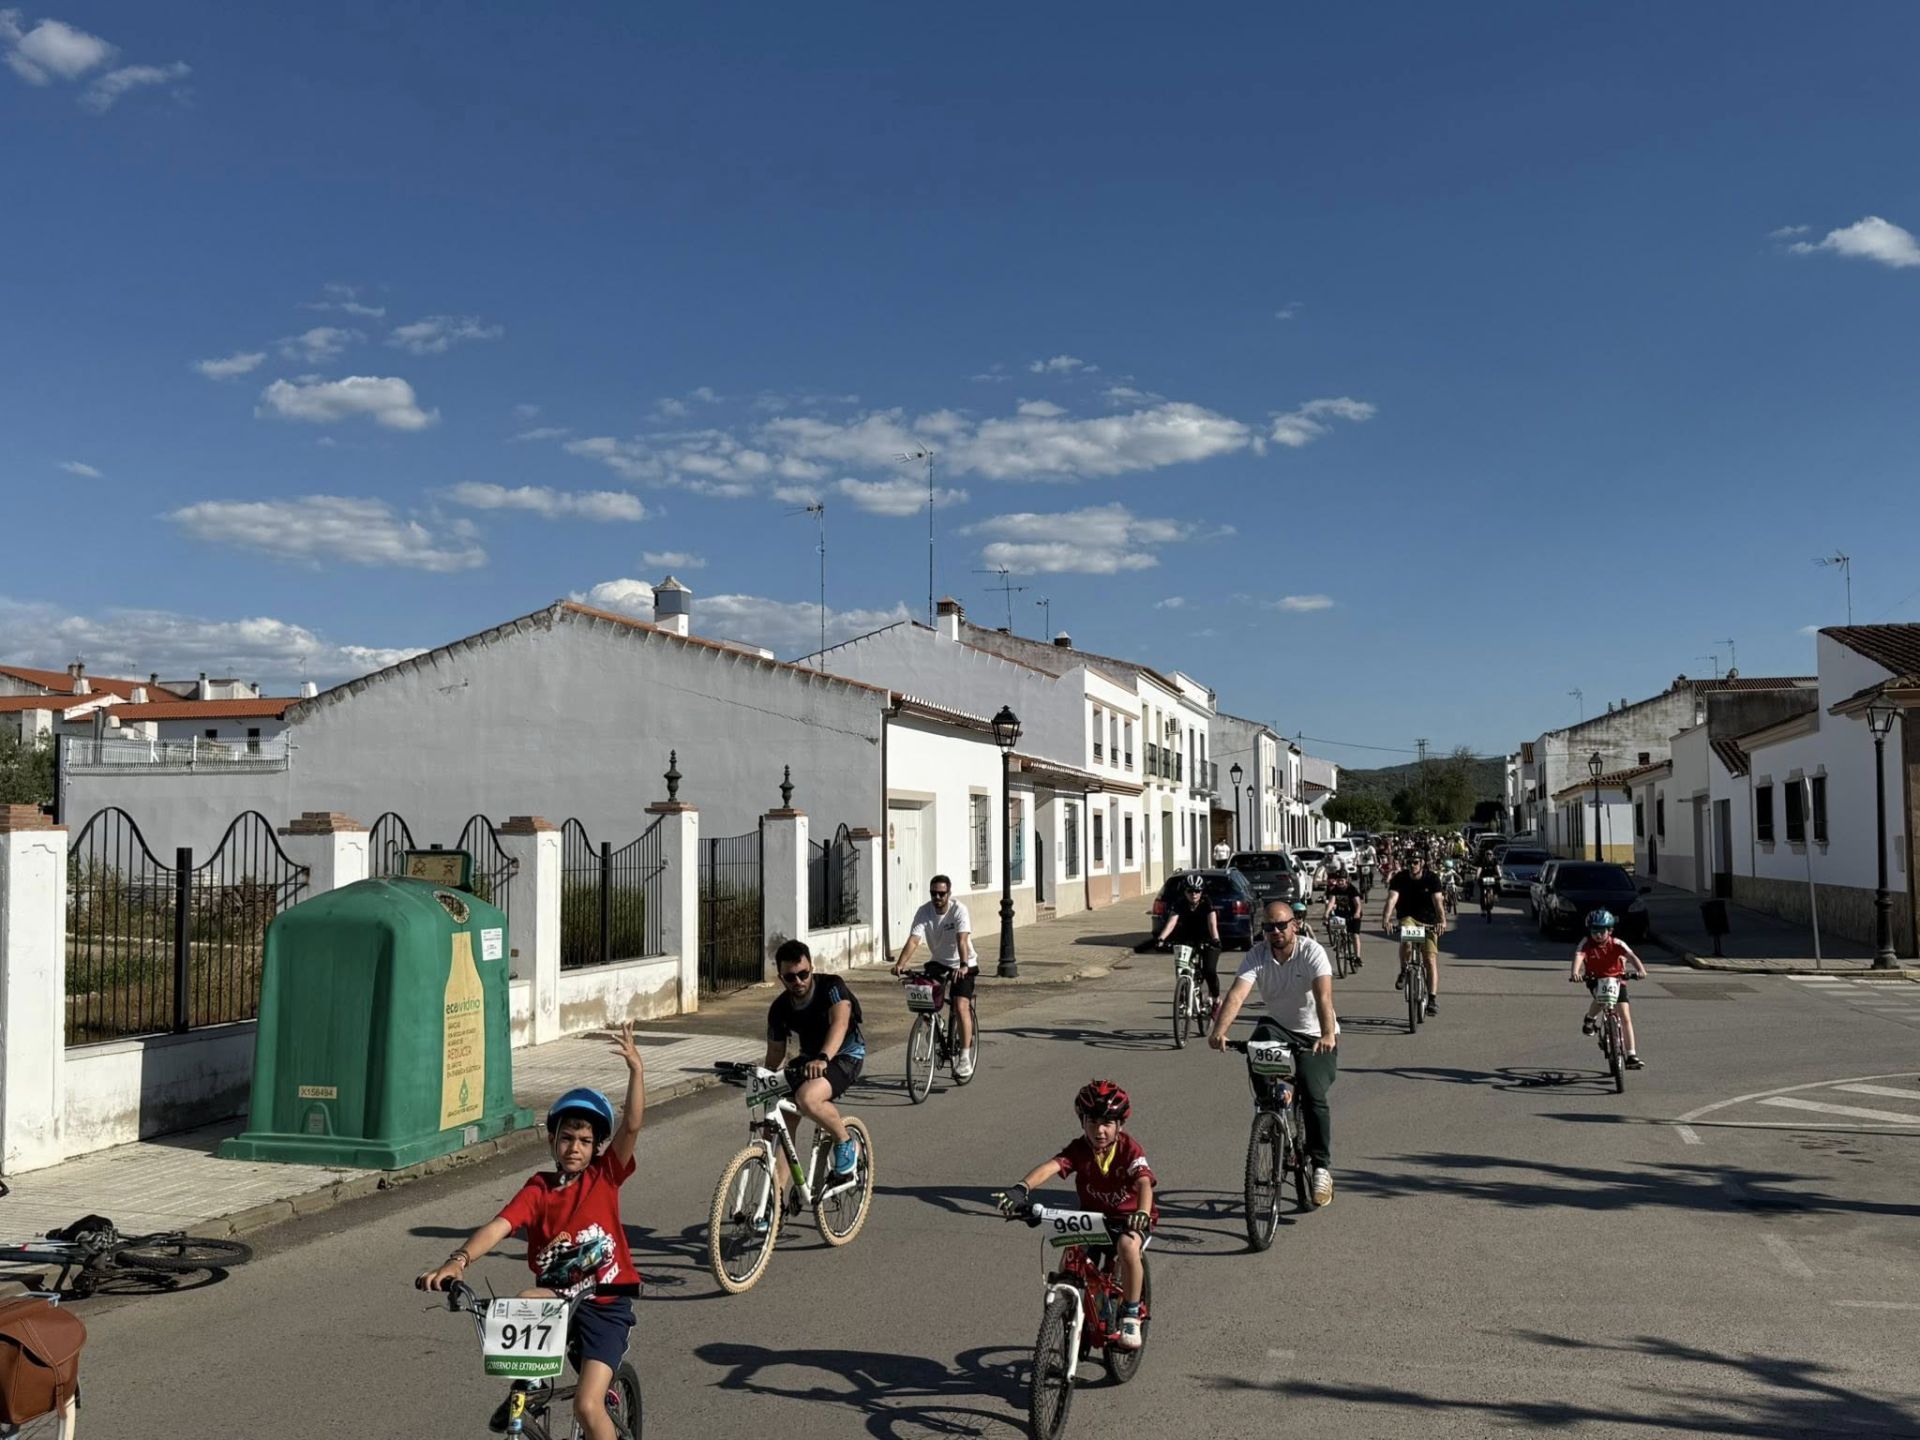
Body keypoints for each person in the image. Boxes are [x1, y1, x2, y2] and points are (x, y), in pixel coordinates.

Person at [416, 1024, 647, 1440]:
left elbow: (630, 1127)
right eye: (566, 1138)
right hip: (557, 1299)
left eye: (584, 1140)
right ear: (552, 1141)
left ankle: (575, 1400)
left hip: (604, 1305)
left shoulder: (605, 1176)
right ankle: (529, 1385)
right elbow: (498, 1227)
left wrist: (636, 1071)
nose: (574, 1147)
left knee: (587, 1404)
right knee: (524, 1299)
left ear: (596, 1148)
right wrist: (458, 1261)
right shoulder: (538, 1189)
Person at [997, 1080, 1157, 1349]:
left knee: (1128, 1246)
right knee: (1069, 1262)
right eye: (1092, 1122)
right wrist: (1021, 1188)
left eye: (1107, 1123)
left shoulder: (1130, 1149)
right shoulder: (1080, 1148)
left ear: (1120, 1125)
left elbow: (1143, 1182)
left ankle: (1130, 1313)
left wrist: (1141, 1211)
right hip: (1093, 1218)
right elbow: (1052, 1166)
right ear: (1082, 1122)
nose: (1100, 1130)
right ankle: (1068, 1314)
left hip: (1129, 1219)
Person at [1209, 900, 1339, 1206]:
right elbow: (1238, 993)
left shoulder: (1311, 952)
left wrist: (1328, 1034)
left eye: (1282, 925)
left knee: (1312, 1089)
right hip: (1279, 1028)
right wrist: (1219, 1031)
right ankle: (1269, 1108)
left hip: (1315, 1034)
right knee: (1259, 1039)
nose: (1276, 931)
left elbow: (1323, 997)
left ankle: (1321, 1166)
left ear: (1294, 924)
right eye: (1269, 927)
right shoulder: (1257, 955)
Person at [767, 939, 866, 1178]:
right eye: (791, 977)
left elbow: (840, 1023)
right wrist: (765, 1081)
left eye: (803, 974)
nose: (798, 981)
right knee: (783, 1118)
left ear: (811, 968)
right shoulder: (779, 1008)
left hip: (844, 1055)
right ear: (781, 977)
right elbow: (775, 1054)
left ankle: (844, 1141)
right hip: (810, 1059)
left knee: (808, 1099)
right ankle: (774, 1205)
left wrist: (823, 1058)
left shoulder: (832, 986)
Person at [892, 874, 977, 1078]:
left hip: (963, 963)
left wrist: (964, 965)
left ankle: (964, 1057)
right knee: (924, 994)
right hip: (938, 962)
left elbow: (962, 940)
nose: (937, 897)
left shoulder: (959, 910)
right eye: (933, 893)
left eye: (941, 893)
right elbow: (914, 940)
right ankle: (933, 1023)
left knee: (960, 1005)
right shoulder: (924, 911)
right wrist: (901, 964)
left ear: (949, 893)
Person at [1571, 909, 1649, 1069]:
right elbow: (1579, 956)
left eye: (1601, 931)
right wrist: (1575, 973)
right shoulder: (1586, 943)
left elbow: (1631, 956)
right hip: (1595, 979)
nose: (1597, 935)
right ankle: (1590, 1018)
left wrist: (1641, 970)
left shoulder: (1617, 943)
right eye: (1594, 931)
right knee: (1601, 999)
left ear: (1610, 931)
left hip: (1617, 980)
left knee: (1625, 1017)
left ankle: (1631, 1055)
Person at [1382, 851, 1446, 1017]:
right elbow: (1392, 899)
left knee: (1430, 960)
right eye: (1409, 862)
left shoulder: (1432, 878)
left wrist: (1442, 921)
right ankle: (1404, 970)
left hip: (1429, 920)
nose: (1412, 865)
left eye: (1416, 862)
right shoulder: (1400, 878)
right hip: (1408, 917)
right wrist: (1386, 919)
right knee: (1408, 940)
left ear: (1422, 863)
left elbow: (1438, 902)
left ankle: (1432, 999)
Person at [1154, 872, 1222, 1016]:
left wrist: (1216, 940)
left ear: (1201, 891)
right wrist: (1161, 939)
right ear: (1185, 891)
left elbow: (1212, 924)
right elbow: (1171, 923)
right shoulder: (1180, 903)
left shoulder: (1207, 903)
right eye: (1190, 891)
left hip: (1207, 939)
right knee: (1181, 966)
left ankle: (1216, 1000)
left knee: (1209, 970)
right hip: (1187, 939)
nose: (1194, 894)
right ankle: (1183, 994)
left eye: (1197, 891)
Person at [1321, 859, 1365, 968]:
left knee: (1355, 935)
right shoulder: (1335, 889)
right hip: (1341, 914)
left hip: (1353, 914)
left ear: (1347, 880)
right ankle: (1340, 943)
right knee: (1338, 930)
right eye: (1338, 880)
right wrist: (1326, 913)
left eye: (1342, 880)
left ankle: (1357, 957)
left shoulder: (1352, 889)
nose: (1340, 882)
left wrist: (1357, 913)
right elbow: (1331, 902)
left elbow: (1358, 904)